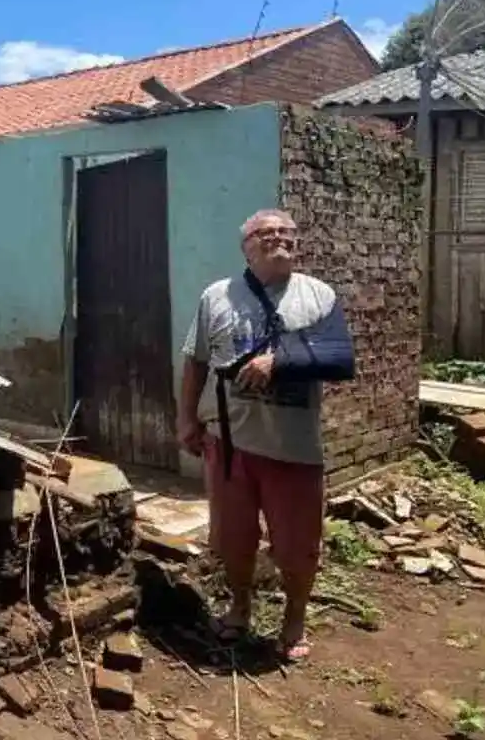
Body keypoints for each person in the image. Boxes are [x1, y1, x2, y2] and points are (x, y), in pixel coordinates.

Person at [176, 208, 355, 663]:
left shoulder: (318, 295)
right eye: (265, 232)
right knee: (233, 539)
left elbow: (338, 357)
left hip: (293, 449)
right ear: (247, 247)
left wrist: (280, 363)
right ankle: (240, 609)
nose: (278, 237)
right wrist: (186, 419)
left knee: (297, 546)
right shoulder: (216, 296)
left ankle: (294, 620)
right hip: (229, 443)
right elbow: (196, 361)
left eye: (286, 231)